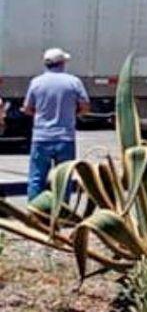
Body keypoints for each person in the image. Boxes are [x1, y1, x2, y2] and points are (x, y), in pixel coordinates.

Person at [21, 48, 89, 202]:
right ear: (62, 63)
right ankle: (61, 213)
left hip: (41, 137)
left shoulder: (36, 82)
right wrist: (74, 113)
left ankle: (35, 212)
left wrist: (39, 114)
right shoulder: (73, 82)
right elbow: (85, 106)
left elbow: (27, 108)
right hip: (65, 137)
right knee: (63, 179)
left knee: (36, 178)